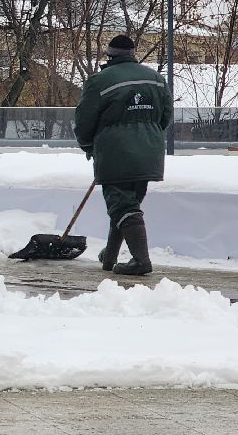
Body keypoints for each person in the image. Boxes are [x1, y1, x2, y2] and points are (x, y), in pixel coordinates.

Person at [74, 34, 174, 276]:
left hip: (115, 153)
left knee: (122, 206)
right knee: (127, 206)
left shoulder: (100, 81)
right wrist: (147, 137)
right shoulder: (157, 79)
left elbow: (84, 121)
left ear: (110, 54)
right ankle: (110, 255)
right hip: (149, 153)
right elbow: (166, 116)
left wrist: (89, 145)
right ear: (132, 53)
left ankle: (141, 261)